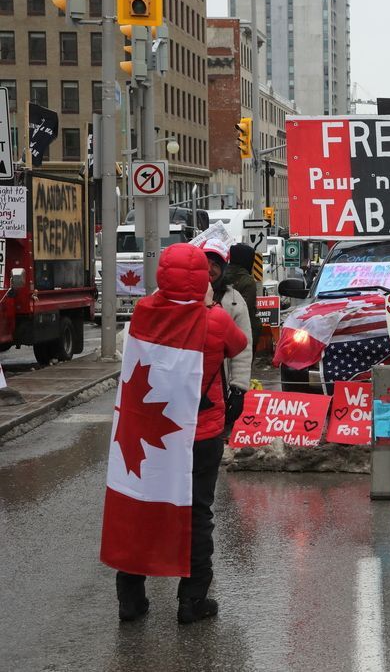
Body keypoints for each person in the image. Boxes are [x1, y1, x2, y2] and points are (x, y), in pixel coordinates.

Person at [113, 244, 248, 624]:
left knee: (141, 508)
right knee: (197, 514)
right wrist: (208, 306)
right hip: (200, 434)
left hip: (149, 433)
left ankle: (131, 598)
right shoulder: (215, 320)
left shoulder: (143, 313)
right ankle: (192, 601)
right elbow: (236, 346)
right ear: (203, 280)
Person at [201, 239, 253, 428]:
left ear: (224, 267)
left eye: (215, 265)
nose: (209, 269)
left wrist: (238, 388)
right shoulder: (181, 293)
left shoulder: (234, 300)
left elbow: (243, 348)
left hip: (218, 387)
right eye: (206, 263)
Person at [225, 242, 261, 355]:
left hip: (224, 330)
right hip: (245, 331)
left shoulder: (221, 276)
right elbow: (245, 308)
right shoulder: (247, 281)